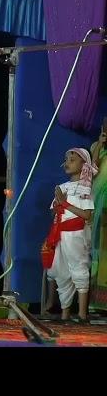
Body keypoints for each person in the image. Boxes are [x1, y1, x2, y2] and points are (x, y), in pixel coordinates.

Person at [44, 148, 96, 321]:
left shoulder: (85, 188)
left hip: (76, 235)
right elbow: (55, 213)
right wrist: (59, 203)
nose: (67, 162)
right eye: (66, 158)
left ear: (84, 165)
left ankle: (82, 313)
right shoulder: (63, 187)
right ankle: (65, 313)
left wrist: (64, 202)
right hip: (60, 234)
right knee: (60, 271)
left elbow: (87, 215)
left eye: (72, 159)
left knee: (78, 269)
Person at [90, 130, 107, 312]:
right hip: (99, 207)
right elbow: (90, 173)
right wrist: (100, 146)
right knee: (98, 254)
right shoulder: (96, 147)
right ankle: (97, 304)